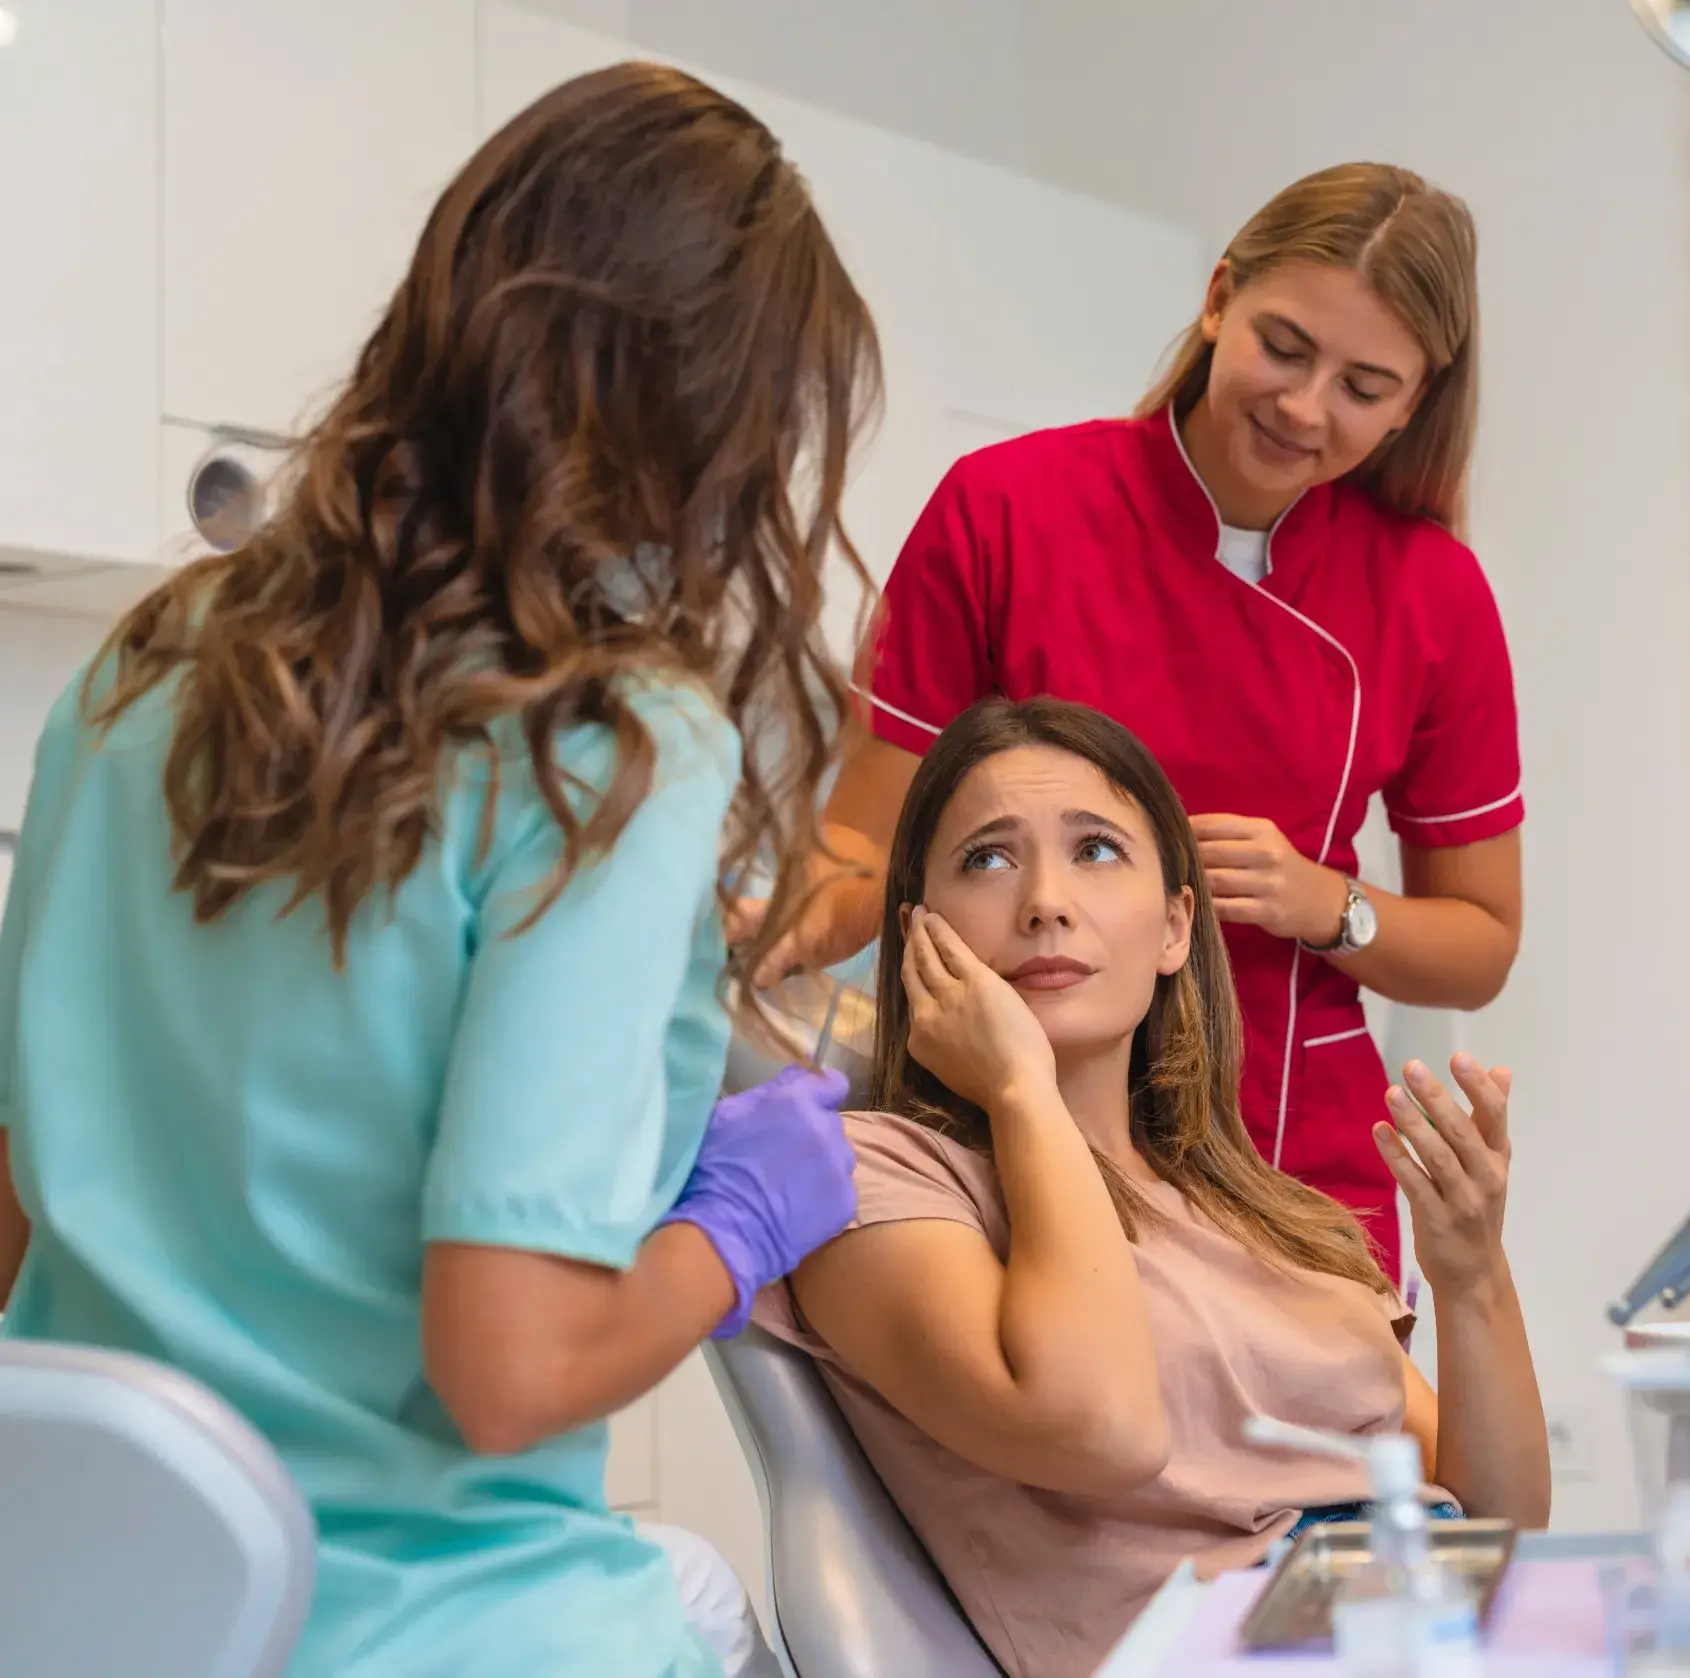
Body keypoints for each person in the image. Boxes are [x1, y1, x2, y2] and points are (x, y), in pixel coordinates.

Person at [0, 63, 880, 1678]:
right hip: (427, 1630)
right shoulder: (609, 736)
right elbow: (509, 1367)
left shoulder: (135, 671)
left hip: (92, 1610)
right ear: (722, 423)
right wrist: (737, 1225)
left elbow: (25, 1213)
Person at [749, 163, 1524, 1279]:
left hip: (1293, 1156)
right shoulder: (1006, 510)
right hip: (1010, 1135)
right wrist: (763, 923)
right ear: (1218, 300)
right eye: (1285, 346)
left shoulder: (1430, 592)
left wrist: (1326, 904)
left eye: (1363, 386)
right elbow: (865, 849)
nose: (1305, 409)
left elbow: (1480, 941)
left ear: (1416, 400)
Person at [755, 697, 1548, 1678]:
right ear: (922, 933)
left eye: (1094, 850)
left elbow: (1500, 1533)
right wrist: (1017, 1087)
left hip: (1428, 1627)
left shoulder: (1264, 1214)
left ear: (1175, 925)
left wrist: (1471, 1277)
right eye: (987, 859)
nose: (1044, 901)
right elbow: (1099, 1430)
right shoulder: (869, 1174)